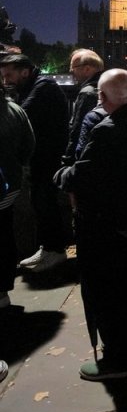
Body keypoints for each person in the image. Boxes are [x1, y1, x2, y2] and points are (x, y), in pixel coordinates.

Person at [54, 69, 127, 381]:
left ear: (103, 97)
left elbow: (82, 175)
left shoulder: (107, 129)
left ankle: (118, 358)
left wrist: (60, 175)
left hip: (104, 224)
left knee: (104, 291)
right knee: (126, 285)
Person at [1, 54, 70, 273]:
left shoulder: (44, 86)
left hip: (49, 158)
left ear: (24, 71)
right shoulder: (33, 85)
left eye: (9, 75)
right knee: (39, 204)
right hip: (41, 157)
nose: (5, 81)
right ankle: (47, 247)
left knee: (46, 203)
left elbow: (21, 114)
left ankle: (55, 251)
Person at [1, 91, 34, 310]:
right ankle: (3, 292)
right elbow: (29, 144)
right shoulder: (14, 109)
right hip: (9, 185)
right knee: (4, 234)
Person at [63, 49, 104, 165]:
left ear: (87, 69)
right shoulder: (105, 87)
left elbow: (77, 129)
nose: (71, 71)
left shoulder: (87, 93)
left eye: (73, 67)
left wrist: (67, 160)